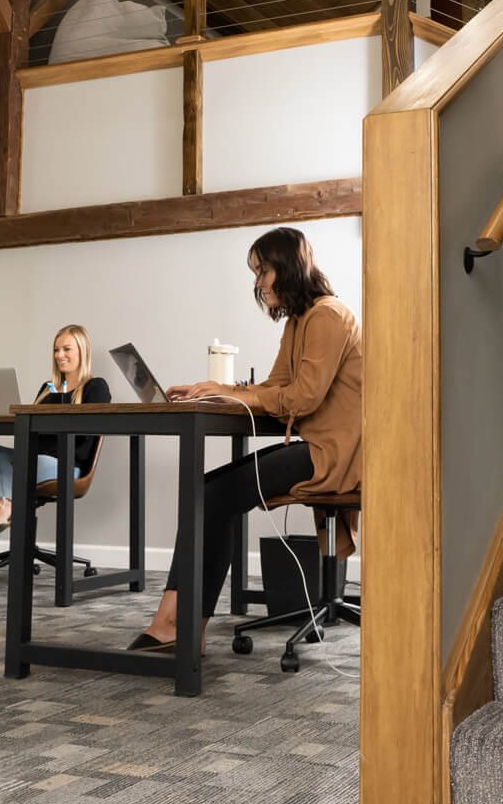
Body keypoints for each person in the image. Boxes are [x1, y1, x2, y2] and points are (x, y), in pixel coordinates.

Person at [128, 227, 361, 652]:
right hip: (319, 447)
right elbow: (275, 387)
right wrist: (217, 390)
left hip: (335, 455)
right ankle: (179, 624)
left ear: (288, 268)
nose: (258, 283)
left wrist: (234, 393)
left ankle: (177, 625)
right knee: (208, 492)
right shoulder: (299, 321)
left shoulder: (327, 316)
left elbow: (302, 398)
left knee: (214, 496)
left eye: (263, 271)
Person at [0, 325, 110, 592]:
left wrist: (44, 440)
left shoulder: (95, 387)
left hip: (67, 466)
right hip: (34, 459)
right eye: (56, 349)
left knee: (3, 482)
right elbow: (30, 428)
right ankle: (5, 506)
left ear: (82, 351)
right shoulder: (47, 389)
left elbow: (85, 441)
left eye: (66, 349)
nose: (59, 355)